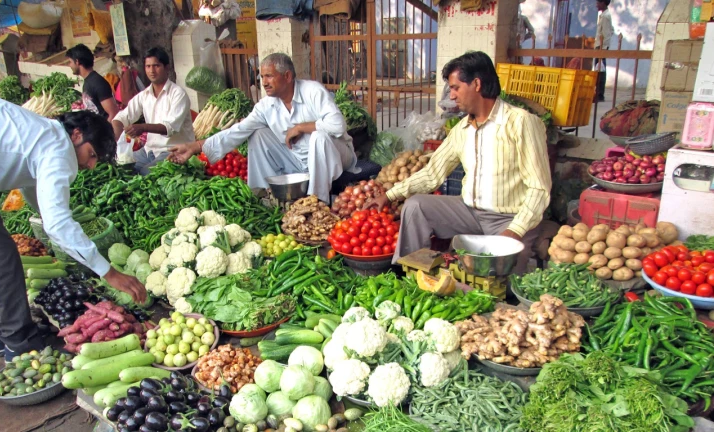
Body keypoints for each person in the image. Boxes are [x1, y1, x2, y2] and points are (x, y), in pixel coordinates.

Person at [0, 94, 147, 361]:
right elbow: (58, 222)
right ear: (76, 135)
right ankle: (21, 346)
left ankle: (2, 333)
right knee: (0, 257)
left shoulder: (42, 135)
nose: (90, 165)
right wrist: (107, 272)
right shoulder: (57, 148)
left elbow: (33, 189)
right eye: (92, 155)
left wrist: (53, 222)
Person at [365, 51, 552, 275]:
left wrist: (516, 230)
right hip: (469, 211)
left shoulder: (521, 123)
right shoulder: (462, 129)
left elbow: (539, 188)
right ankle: (410, 273)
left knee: (500, 283)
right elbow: (432, 174)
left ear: (476, 84)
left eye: (455, 87)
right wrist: (390, 195)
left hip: (508, 218)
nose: (451, 96)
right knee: (416, 207)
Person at [167, 52, 357, 203]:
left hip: (336, 154)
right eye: (261, 76)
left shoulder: (312, 91)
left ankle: (316, 202)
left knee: (319, 137)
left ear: (287, 76)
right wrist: (196, 146)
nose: (263, 82)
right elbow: (238, 130)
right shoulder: (267, 105)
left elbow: (337, 125)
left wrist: (301, 127)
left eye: (269, 76)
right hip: (298, 161)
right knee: (257, 134)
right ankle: (266, 196)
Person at [113, 47, 195, 175]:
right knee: (121, 170)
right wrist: (117, 139)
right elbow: (122, 117)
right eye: (148, 66)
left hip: (173, 150)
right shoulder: (144, 95)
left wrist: (142, 127)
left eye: (156, 66)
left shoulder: (178, 94)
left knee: (145, 175)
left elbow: (169, 128)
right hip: (149, 150)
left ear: (167, 68)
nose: (151, 71)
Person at [66, 44, 119, 121]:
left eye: (70, 62)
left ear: (77, 62)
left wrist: (104, 131)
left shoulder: (98, 83)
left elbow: (113, 113)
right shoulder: (88, 81)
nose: (69, 65)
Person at [594, 0, 614, 102]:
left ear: (603, 3)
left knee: (600, 71)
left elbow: (607, 33)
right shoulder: (603, 15)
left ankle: (600, 94)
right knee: (598, 70)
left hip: (601, 47)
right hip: (599, 46)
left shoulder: (605, 16)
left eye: (598, 2)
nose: (596, 4)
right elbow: (612, 30)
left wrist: (603, 48)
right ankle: (598, 92)